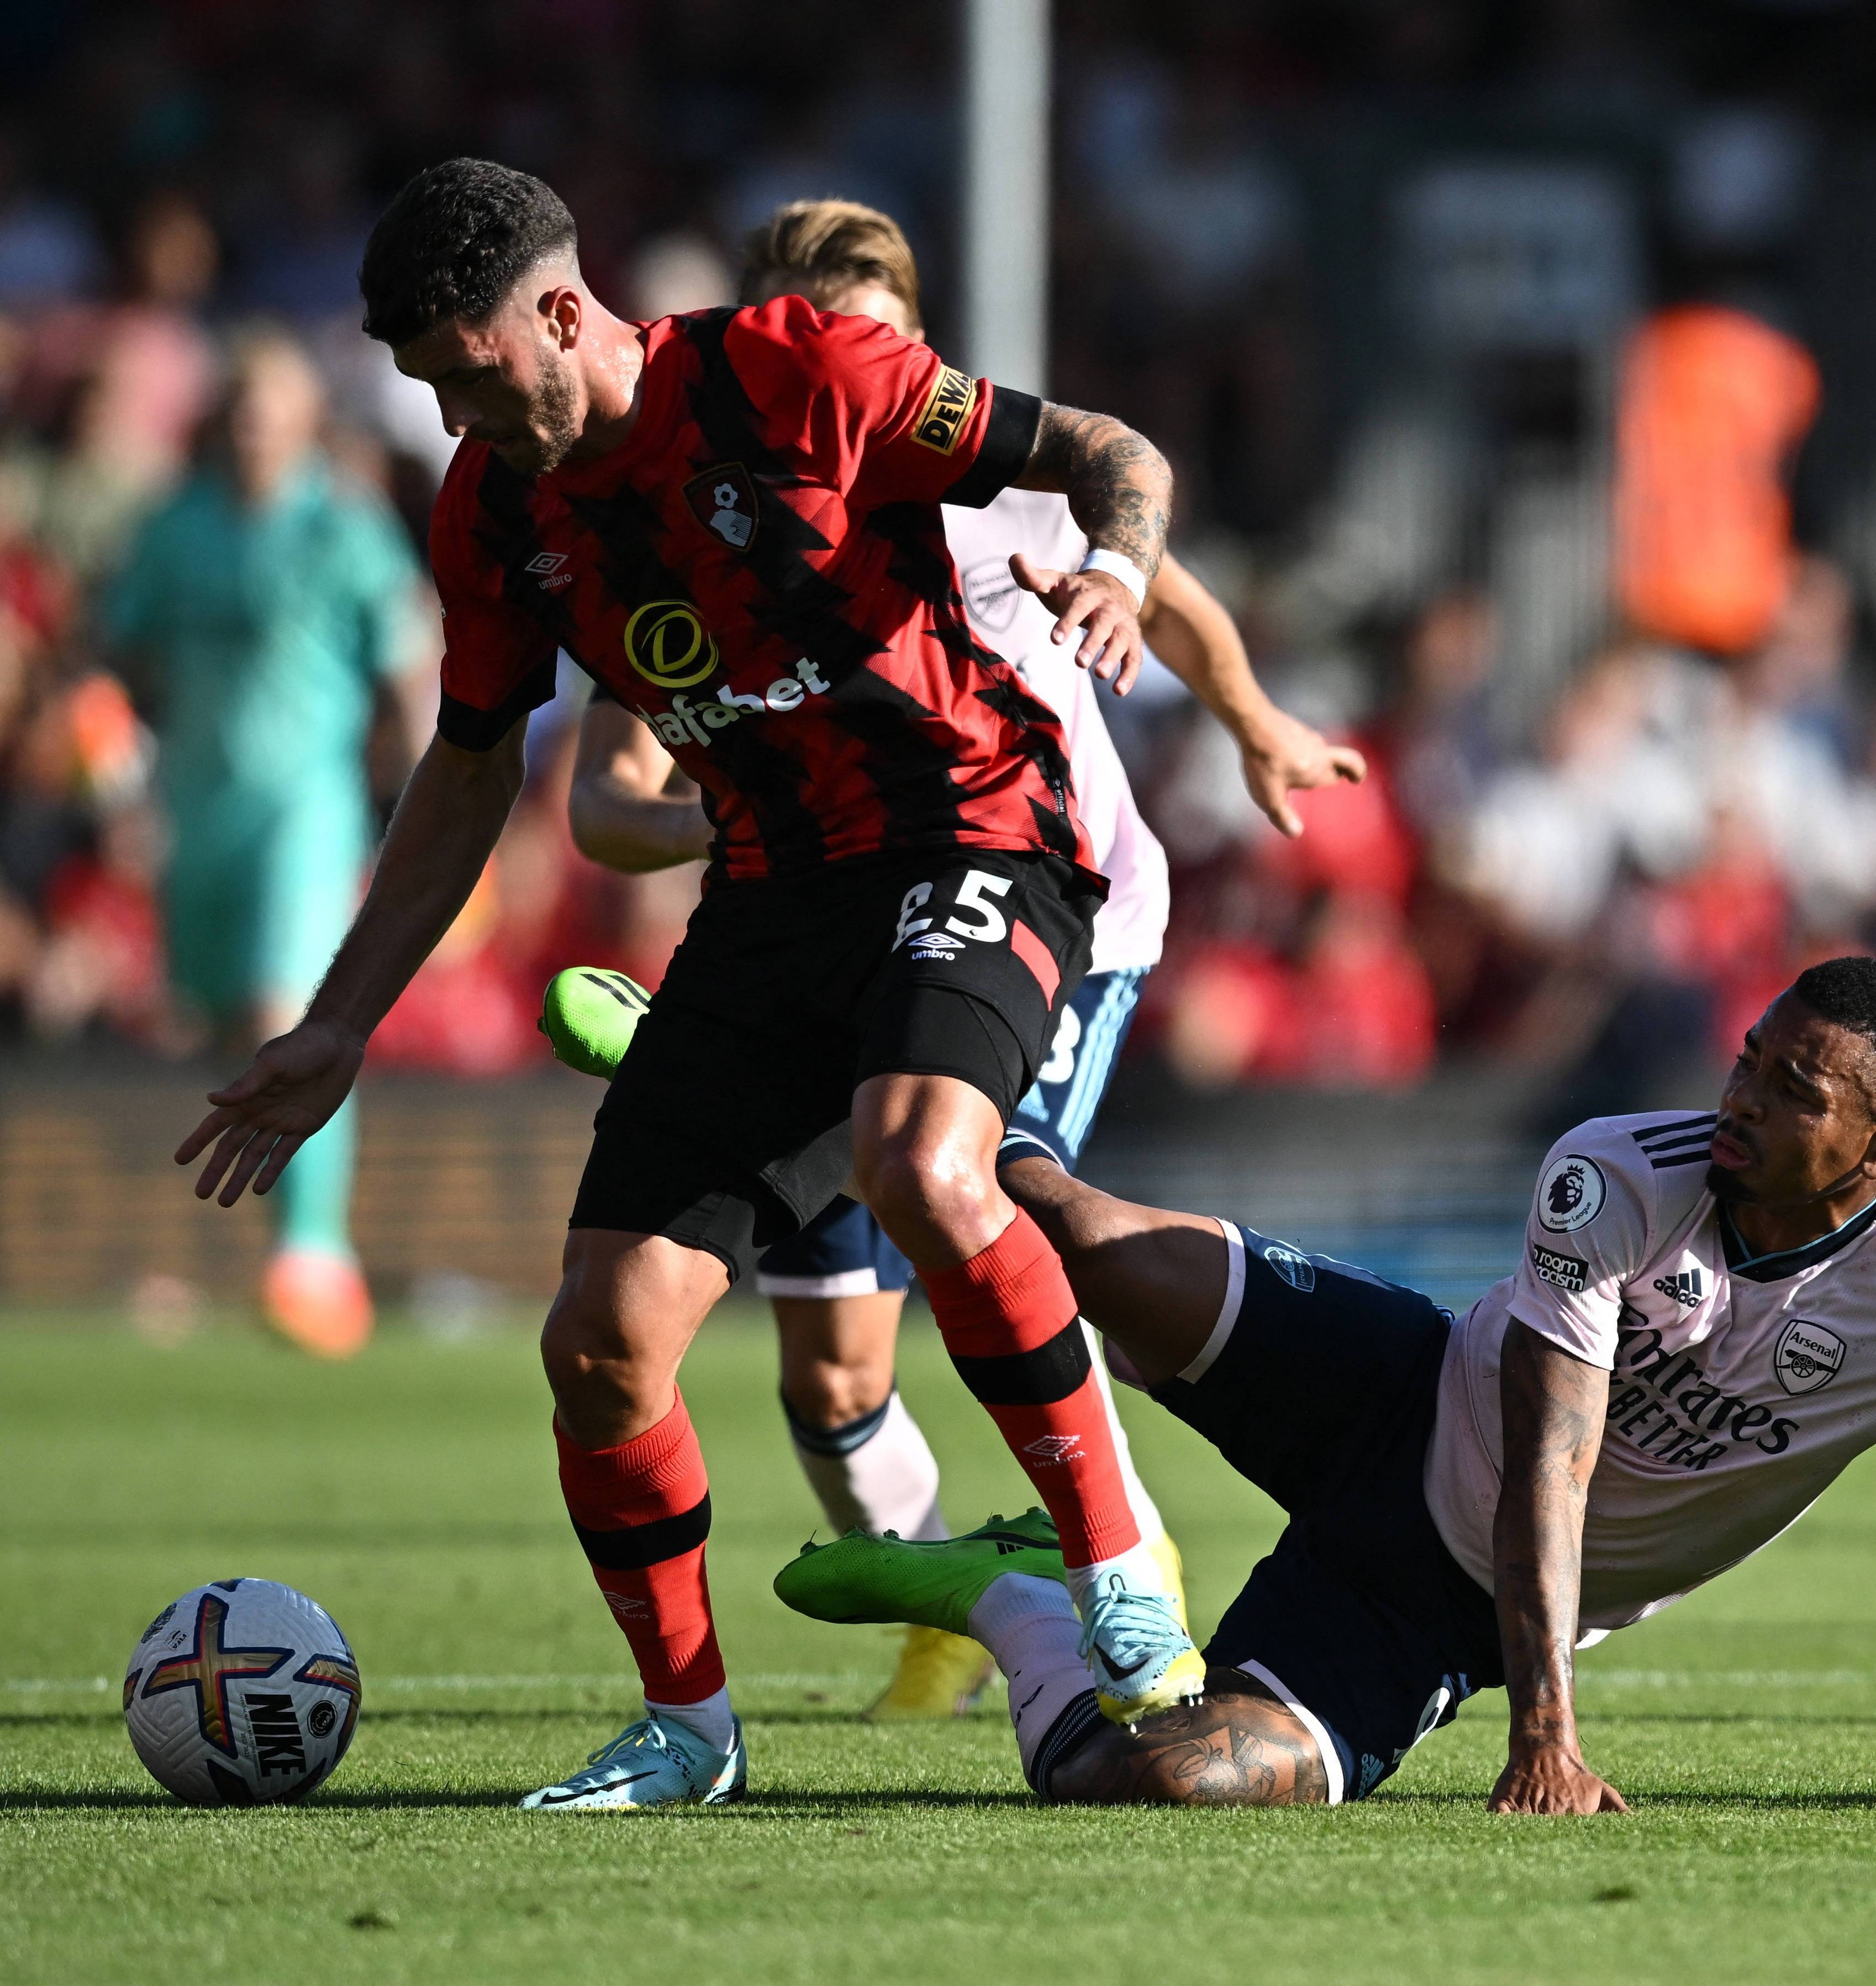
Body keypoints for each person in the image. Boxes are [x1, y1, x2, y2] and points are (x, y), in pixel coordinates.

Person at [173, 160, 1208, 1811]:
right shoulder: (493, 508)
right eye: (424, 388)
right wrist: (339, 1020)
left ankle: (1118, 1568)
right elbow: (463, 771)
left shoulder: (793, 371)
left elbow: (1108, 455)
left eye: (464, 370)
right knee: (598, 1336)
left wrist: (1125, 566)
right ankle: (688, 1731)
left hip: (977, 835)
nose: (452, 416)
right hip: (769, 901)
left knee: (924, 1161)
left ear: (563, 314)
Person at [557, 198, 1364, 1721]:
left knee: (988, 1194)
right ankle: (961, 1596)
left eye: (878, 331)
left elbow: (1168, 586)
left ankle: (1130, 1580)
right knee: (831, 1375)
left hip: (1050, 897)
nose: (849, 357)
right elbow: (606, 793)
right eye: (817, 328)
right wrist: (746, 812)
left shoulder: (987, 476)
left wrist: (1251, 720)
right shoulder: (695, 518)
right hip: (815, 921)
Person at [778, 957, 1876, 1813]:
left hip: (1437, 1603)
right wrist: (1550, 1740)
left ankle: (1012, 1602)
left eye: (1792, 1089)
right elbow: (1552, 1459)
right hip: (1398, 1388)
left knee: (1150, 1779)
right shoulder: (1624, 1168)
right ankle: (832, 1086)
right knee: (1080, 1231)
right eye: (1750, 1055)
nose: (1743, 1097)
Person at [109, 326, 431, 1357]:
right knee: (222, 1030)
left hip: (306, 808)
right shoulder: (176, 527)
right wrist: (111, 771)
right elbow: (115, 654)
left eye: (271, 409)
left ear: (301, 422)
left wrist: (430, 804)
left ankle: (314, 1258)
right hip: (197, 814)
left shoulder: (342, 528)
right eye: (239, 407)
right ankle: (287, 1249)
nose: (252, 427)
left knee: (280, 1011)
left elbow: (407, 664)